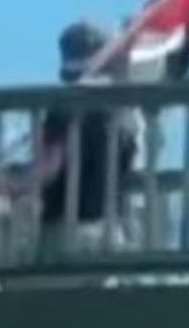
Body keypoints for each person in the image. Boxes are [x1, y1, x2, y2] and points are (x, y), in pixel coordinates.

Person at [36, 21, 137, 260]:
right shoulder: (123, 115)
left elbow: (49, 168)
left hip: (66, 231)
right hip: (112, 232)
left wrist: (1, 185)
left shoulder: (64, 109)